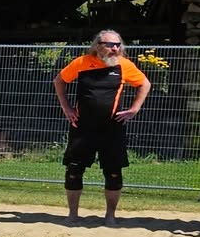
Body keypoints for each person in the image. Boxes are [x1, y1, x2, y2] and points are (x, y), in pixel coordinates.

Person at [53, 29, 151, 223]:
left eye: (118, 45)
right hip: (82, 126)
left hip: (112, 127)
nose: (115, 48)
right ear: (98, 46)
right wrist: (67, 107)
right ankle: (72, 215)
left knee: (113, 171)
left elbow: (145, 84)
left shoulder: (124, 65)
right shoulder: (81, 63)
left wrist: (134, 109)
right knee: (74, 169)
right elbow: (59, 81)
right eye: (110, 45)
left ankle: (110, 217)